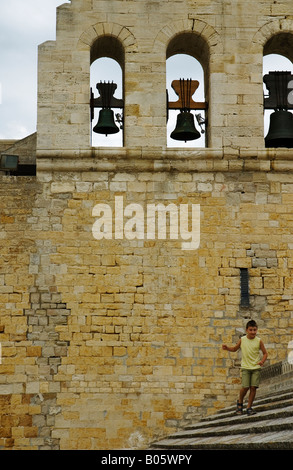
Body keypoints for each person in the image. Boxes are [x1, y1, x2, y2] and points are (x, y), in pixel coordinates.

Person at [222, 320, 268, 416]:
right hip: (246, 367)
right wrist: (227, 348)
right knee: (245, 387)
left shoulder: (259, 341)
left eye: (254, 330)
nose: (253, 332)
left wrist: (262, 361)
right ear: (247, 330)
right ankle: (240, 402)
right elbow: (235, 349)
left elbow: (265, 353)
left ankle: (249, 407)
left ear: (257, 330)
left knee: (253, 387)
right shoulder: (242, 339)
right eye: (251, 330)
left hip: (256, 367)